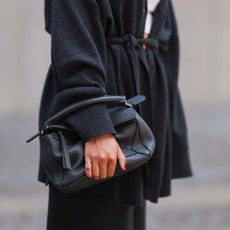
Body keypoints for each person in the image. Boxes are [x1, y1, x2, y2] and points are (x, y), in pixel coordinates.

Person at [38, 0, 192, 229]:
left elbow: (163, 31)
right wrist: (93, 124)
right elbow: (72, 35)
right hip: (104, 109)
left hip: (136, 109)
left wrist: (165, 117)